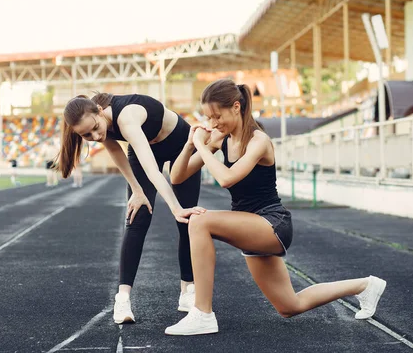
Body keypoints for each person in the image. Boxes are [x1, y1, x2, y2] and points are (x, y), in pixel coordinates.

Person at [165, 79, 387, 336]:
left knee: (199, 220)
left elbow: (227, 178)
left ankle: (202, 313)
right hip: (249, 226)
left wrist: (204, 146)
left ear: (236, 107)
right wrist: (191, 144)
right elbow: (177, 177)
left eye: (217, 116)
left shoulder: (259, 140)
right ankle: (365, 286)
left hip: (272, 224)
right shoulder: (220, 140)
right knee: (289, 306)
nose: (213, 123)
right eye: (208, 117)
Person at [57, 92, 205, 324]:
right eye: (86, 135)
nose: (96, 136)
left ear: (99, 110)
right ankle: (122, 299)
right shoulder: (98, 124)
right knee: (137, 217)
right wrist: (136, 190)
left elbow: (154, 173)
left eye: (95, 128)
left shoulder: (126, 118)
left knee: (186, 218)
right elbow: (116, 151)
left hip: (180, 145)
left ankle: (187, 290)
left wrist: (175, 208)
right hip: (144, 149)